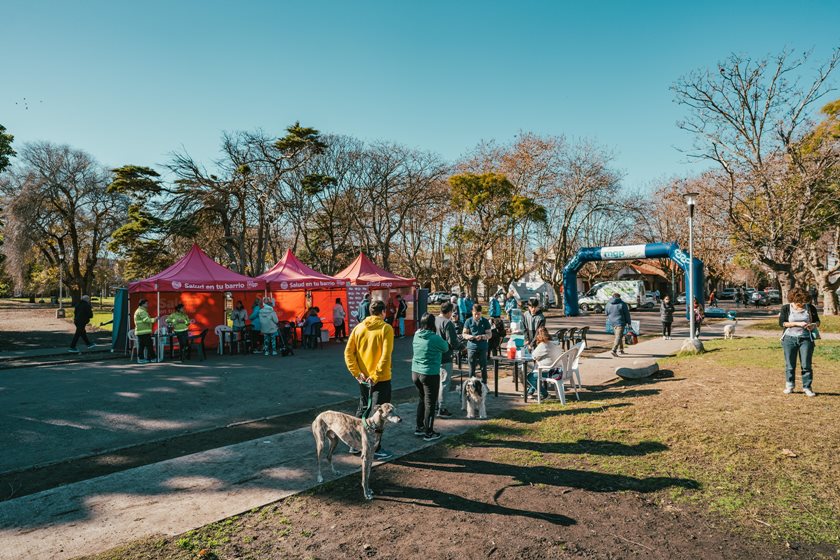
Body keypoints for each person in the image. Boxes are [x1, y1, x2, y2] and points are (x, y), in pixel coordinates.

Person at [344, 299, 395, 460]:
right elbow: (385, 356)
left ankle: (354, 443)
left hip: (363, 378)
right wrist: (376, 375)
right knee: (378, 414)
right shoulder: (386, 328)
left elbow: (348, 353)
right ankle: (375, 448)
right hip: (380, 379)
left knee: (363, 408)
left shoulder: (358, 328)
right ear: (383, 312)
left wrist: (357, 372)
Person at [412, 313, 449, 441]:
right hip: (430, 374)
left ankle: (419, 427)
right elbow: (445, 348)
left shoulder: (416, 335)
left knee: (422, 399)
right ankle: (429, 432)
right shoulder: (434, 338)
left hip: (415, 373)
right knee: (430, 403)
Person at [779, 288, 820, 397]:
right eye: (799, 302)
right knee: (790, 365)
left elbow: (817, 321)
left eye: (804, 302)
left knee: (806, 365)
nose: (801, 304)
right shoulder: (786, 308)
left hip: (806, 339)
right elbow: (782, 323)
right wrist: (797, 324)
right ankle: (790, 385)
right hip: (789, 339)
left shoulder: (810, 308)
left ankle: (807, 387)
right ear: (793, 300)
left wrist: (813, 325)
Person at [435, 301, 459, 418]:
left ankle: (435, 405)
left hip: (434, 357)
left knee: (435, 383)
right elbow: (453, 342)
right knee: (444, 383)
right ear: (449, 312)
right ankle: (442, 407)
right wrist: (462, 347)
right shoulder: (448, 323)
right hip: (445, 357)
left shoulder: (434, 320)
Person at [526, 326, 563, 398]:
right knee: (536, 373)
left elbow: (533, 356)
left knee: (530, 377)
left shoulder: (543, 345)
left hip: (550, 372)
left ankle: (544, 394)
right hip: (559, 370)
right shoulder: (553, 343)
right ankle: (530, 392)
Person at [462, 304, 492, 383]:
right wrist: (469, 337)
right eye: (475, 314)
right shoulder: (468, 321)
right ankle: (471, 384)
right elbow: (464, 334)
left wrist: (482, 336)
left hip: (482, 347)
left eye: (478, 314)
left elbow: (489, 334)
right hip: (471, 347)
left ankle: (484, 384)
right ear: (472, 312)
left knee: (483, 367)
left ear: (481, 313)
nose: (476, 316)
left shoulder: (485, 321)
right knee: (471, 367)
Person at [605, 292, 631, 357]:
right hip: (620, 322)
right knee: (618, 337)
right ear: (619, 297)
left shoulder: (608, 304)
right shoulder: (622, 304)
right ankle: (614, 350)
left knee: (619, 336)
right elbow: (627, 314)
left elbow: (606, 313)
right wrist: (629, 323)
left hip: (612, 322)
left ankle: (621, 349)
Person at [133, 299, 156, 363]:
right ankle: (152, 358)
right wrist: (155, 319)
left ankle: (141, 359)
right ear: (142, 304)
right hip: (144, 332)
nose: (147, 304)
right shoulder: (142, 311)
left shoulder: (140, 310)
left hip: (141, 331)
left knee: (142, 346)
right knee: (149, 346)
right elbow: (146, 320)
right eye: (146, 303)